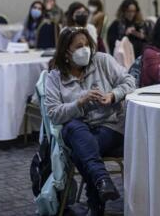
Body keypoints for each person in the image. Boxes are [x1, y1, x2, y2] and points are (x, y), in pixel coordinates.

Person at [44, 27, 135, 216]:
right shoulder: (55, 76)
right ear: (66, 52)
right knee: (74, 127)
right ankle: (101, 182)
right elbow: (53, 113)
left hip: (110, 127)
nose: (84, 50)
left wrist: (113, 95)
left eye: (86, 45)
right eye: (78, 46)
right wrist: (79, 102)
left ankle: (97, 196)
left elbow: (130, 81)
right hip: (78, 130)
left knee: (81, 151)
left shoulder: (102, 60)